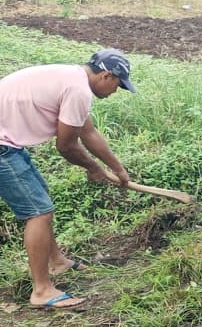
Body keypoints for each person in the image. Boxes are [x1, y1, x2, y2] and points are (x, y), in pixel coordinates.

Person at [0, 49, 135, 309]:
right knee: (39, 213)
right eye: (118, 85)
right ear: (107, 76)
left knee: (41, 197)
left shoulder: (72, 78)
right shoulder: (78, 90)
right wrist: (93, 168)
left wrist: (117, 169)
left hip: (9, 144)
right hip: (3, 147)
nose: (116, 91)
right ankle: (42, 291)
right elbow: (66, 146)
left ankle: (58, 262)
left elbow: (88, 131)